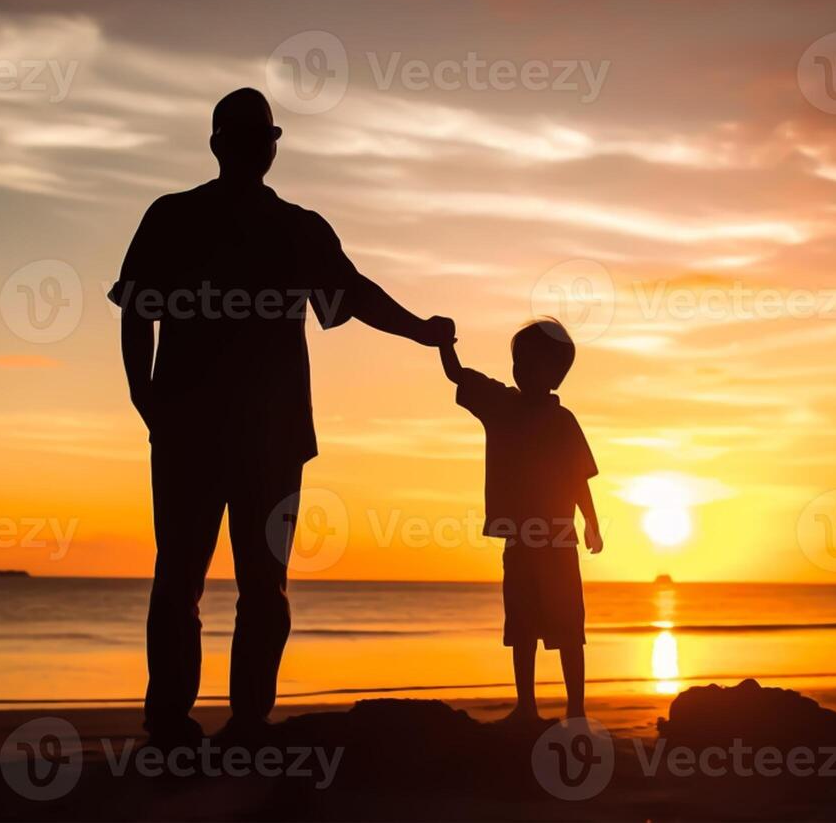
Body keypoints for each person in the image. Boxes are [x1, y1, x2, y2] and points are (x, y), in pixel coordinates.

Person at [111, 87, 454, 744]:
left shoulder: (295, 228)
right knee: (191, 579)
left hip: (261, 438)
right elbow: (136, 310)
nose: (251, 151)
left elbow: (352, 293)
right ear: (221, 146)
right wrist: (144, 396)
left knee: (251, 587)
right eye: (242, 140)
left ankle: (240, 722)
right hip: (196, 430)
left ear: (269, 147)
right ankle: (174, 721)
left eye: (258, 140)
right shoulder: (178, 218)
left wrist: (418, 329)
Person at [439, 319, 604, 721]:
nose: (524, 371)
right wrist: (443, 343)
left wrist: (592, 522)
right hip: (519, 540)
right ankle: (526, 706)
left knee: (568, 626)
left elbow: (578, 477)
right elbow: (456, 375)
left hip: (560, 539)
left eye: (535, 365)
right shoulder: (500, 404)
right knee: (522, 624)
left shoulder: (563, 421)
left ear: (555, 373)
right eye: (519, 363)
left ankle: (576, 710)